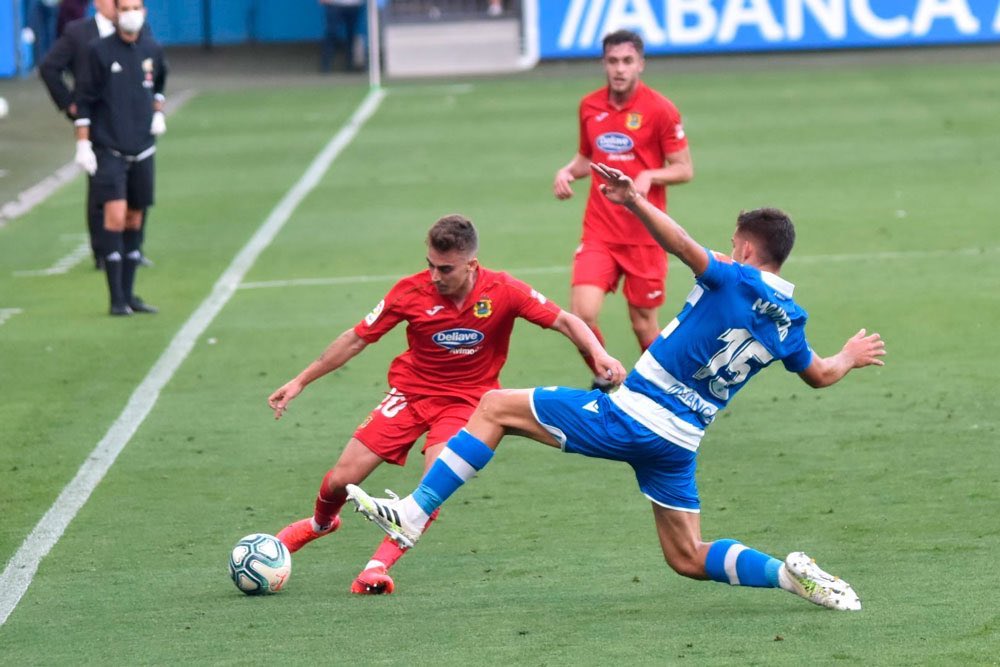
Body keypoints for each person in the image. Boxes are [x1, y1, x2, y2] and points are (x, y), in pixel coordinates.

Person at [346, 163, 887, 611]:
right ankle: (791, 578)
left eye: (731, 244)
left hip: (634, 416)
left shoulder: (733, 276)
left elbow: (680, 244)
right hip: (679, 444)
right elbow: (820, 373)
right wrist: (850, 355)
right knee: (687, 556)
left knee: (493, 406)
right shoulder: (790, 320)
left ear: (746, 249)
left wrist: (631, 200)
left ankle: (413, 516)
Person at [269, 215, 624, 595]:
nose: (435, 276)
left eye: (445, 268)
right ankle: (321, 524)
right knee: (342, 478)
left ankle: (377, 567)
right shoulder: (409, 292)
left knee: (435, 480)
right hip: (410, 394)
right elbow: (356, 338)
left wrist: (599, 354)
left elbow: (568, 321)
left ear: (471, 265)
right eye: (430, 266)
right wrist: (300, 380)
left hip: (469, 402)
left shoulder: (503, 290)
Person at [553, 30, 693, 391]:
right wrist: (568, 171)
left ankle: (671, 389)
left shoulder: (660, 109)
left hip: (644, 234)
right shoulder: (589, 106)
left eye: (627, 61)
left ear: (640, 64)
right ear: (604, 63)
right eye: (613, 61)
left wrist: (648, 175)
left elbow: (683, 168)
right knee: (581, 315)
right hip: (599, 231)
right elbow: (589, 157)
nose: (619, 69)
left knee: (643, 323)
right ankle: (607, 375)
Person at [73, 0, 167, 315]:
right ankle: (115, 300)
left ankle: (130, 295)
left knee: (135, 219)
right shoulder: (98, 51)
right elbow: (84, 101)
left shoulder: (152, 49)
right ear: (114, 11)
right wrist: (83, 145)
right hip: (109, 148)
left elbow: (159, 86)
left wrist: (158, 112)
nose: (132, 13)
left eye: (137, 7)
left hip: (143, 148)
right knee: (114, 217)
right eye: (125, 7)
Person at [41, 0, 117, 269]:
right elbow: (49, 67)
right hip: (94, 117)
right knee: (100, 185)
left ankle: (131, 248)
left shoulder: (135, 30)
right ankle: (103, 253)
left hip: (128, 118)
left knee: (135, 184)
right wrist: (68, 103)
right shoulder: (78, 32)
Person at [319, 0, 364, 72]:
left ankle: (350, 65)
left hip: (355, 4)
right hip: (334, 4)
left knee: (351, 34)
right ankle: (325, 65)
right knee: (331, 32)